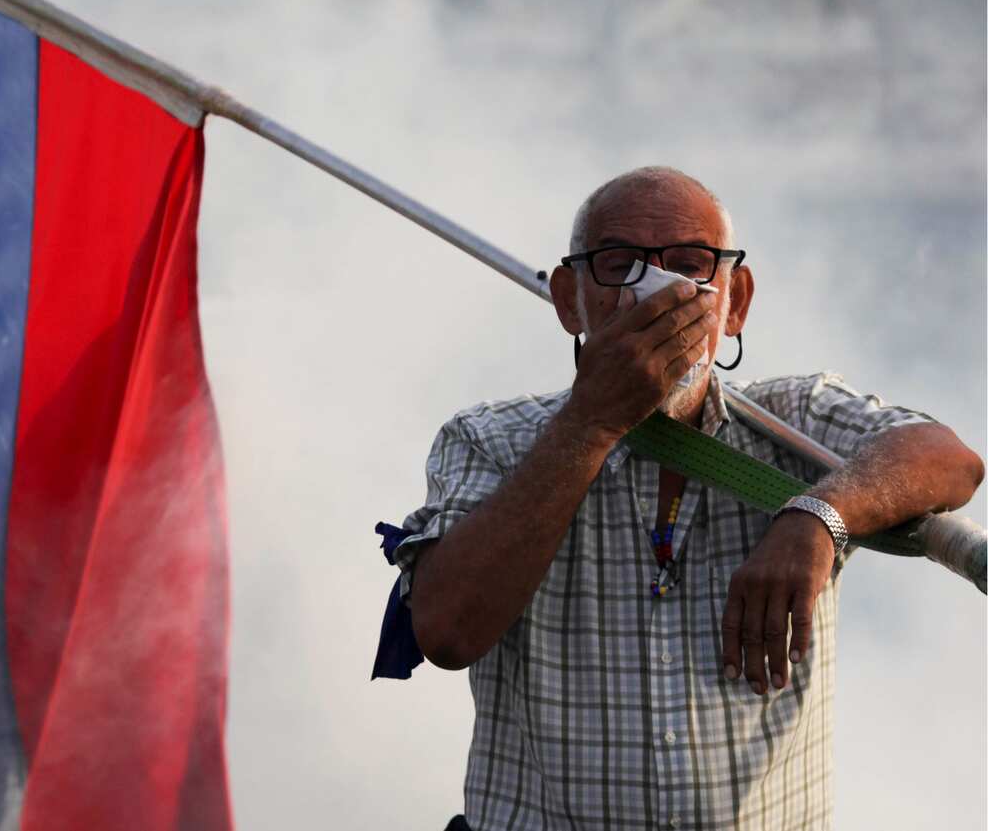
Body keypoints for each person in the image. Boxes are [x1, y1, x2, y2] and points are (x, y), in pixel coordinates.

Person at [392, 166, 983, 831]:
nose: (655, 292)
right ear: (569, 298)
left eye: (690, 265)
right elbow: (445, 631)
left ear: (734, 302)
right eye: (619, 265)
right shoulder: (490, 439)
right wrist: (592, 422)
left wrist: (817, 518)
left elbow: (948, 457)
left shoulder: (796, 424)